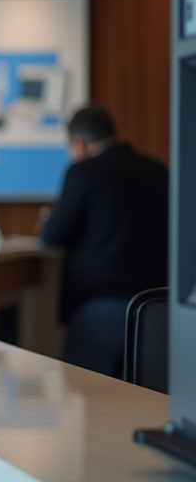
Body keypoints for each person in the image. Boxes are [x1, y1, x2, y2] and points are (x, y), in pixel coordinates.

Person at [38, 105, 168, 378]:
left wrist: (48, 221)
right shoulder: (158, 170)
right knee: (150, 398)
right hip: (158, 310)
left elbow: (53, 237)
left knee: (93, 400)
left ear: (79, 143)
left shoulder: (83, 171)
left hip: (99, 310)